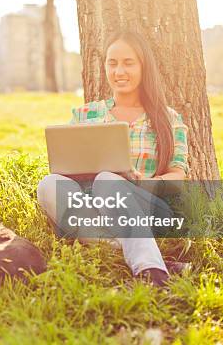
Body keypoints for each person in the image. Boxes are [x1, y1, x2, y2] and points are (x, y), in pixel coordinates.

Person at [37, 30, 189, 287]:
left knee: (108, 181)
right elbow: (65, 164)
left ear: (144, 67)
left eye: (128, 63)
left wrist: (141, 183)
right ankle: (145, 255)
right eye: (112, 63)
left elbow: (178, 177)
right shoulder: (86, 114)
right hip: (90, 208)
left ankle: (152, 271)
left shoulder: (167, 118)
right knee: (48, 184)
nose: (119, 71)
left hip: (145, 207)